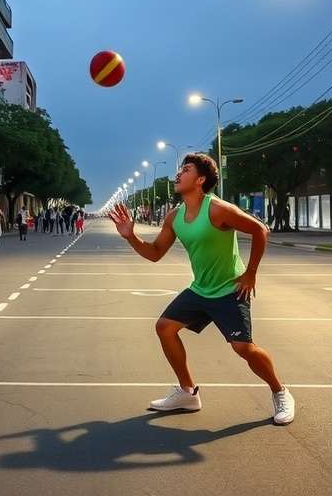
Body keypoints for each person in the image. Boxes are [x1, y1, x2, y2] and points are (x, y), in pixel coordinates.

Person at [108, 153, 295, 425]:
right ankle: (187, 392)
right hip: (200, 290)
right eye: (179, 169)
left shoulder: (217, 209)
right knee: (164, 327)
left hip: (230, 290)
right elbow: (155, 252)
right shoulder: (175, 216)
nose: (178, 174)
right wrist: (130, 236)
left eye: (185, 169)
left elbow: (259, 230)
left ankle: (280, 392)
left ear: (200, 180)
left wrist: (251, 273)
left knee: (243, 348)